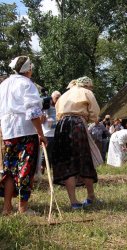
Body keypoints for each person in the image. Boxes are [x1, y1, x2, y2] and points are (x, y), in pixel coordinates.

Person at [0, 56, 47, 215]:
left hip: (8, 131)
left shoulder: (4, 84)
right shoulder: (27, 84)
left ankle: (7, 207)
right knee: (25, 167)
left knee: (9, 168)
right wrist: (41, 133)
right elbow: (33, 112)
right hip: (25, 131)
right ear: (27, 70)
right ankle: (23, 207)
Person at [52, 76, 102, 209]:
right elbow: (95, 113)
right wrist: (89, 119)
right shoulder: (87, 92)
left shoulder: (64, 94)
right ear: (87, 86)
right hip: (77, 124)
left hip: (62, 125)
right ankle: (90, 196)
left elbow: (57, 113)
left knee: (68, 163)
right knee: (84, 159)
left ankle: (74, 201)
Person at [40, 90, 61, 172]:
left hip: (56, 134)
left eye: (59, 98)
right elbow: (41, 121)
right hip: (47, 134)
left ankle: (51, 169)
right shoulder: (45, 108)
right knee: (45, 154)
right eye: (57, 98)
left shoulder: (59, 108)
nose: (58, 99)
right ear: (52, 98)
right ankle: (42, 168)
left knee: (53, 153)